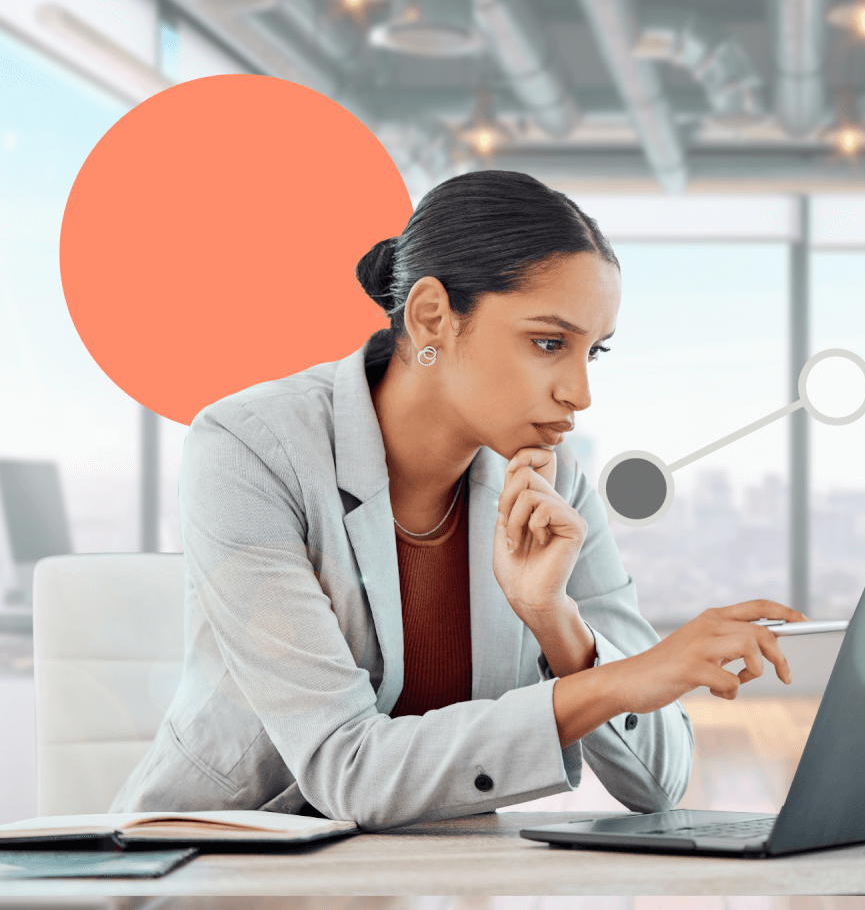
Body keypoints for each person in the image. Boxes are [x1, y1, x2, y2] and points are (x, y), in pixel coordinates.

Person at [110, 170, 805, 830]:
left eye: (593, 353)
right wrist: (617, 682)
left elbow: (659, 782)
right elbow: (346, 766)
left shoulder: (554, 486)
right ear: (433, 315)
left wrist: (556, 621)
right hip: (218, 864)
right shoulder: (251, 449)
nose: (580, 392)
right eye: (547, 342)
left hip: (439, 877)